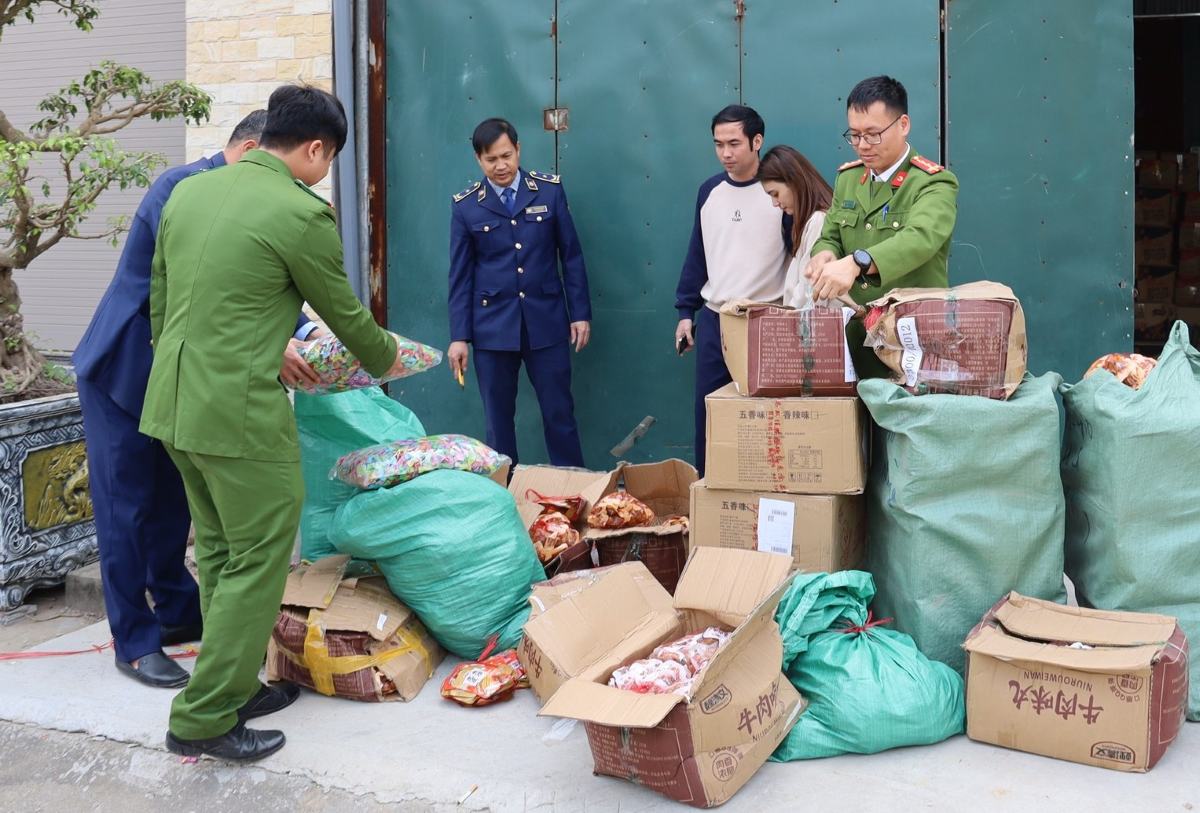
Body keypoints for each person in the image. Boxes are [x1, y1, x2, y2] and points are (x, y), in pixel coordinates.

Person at [140, 84, 405, 762]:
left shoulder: (190, 193)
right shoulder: (299, 211)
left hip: (174, 405)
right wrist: (390, 359)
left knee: (222, 552)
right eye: (330, 158)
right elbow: (344, 314)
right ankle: (202, 716)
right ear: (316, 149)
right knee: (259, 558)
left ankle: (233, 687)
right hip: (239, 416)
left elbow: (161, 303)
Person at [73, 111, 323, 690]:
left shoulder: (246, 198)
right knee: (125, 510)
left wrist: (311, 331)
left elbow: (262, 274)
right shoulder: (182, 188)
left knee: (174, 500)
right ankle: (134, 642)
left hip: (181, 380)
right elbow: (207, 288)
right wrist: (274, 344)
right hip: (123, 372)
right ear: (254, 148)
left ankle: (179, 609)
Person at [447, 117, 592, 467]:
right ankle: (505, 492)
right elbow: (460, 276)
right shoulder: (467, 206)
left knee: (559, 414)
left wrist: (580, 314)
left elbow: (571, 256)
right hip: (493, 330)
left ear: (518, 150)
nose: (501, 166)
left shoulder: (549, 191)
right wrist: (459, 337)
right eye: (491, 159)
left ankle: (572, 486)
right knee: (498, 423)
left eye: (506, 156)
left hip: (547, 322)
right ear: (478, 159)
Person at [806, 75, 959, 377]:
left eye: (873, 134)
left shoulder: (933, 182)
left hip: (913, 340)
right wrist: (823, 254)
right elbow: (831, 235)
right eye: (854, 135)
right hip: (858, 336)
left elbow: (920, 238)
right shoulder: (849, 179)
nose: (863, 145)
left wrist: (857, 262)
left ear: (903, 125)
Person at [674, 104, 792, 475]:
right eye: (718, 144)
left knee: (766, 419)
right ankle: (708, 491)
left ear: (757, 141)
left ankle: (763, 495)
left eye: (734, 143)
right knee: (709, 415)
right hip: (716, 320)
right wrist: (685, 312)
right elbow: (698, 253)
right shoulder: (709, 191)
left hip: (766, 319)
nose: (725, 153)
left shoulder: (778, 192)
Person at [757, 145, 834, 309]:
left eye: (775, 194)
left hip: (807, 320)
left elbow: (809, 290)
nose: (775, 203)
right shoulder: (809, 221)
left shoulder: (819, 220)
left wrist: (786, 319)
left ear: (794, 181)